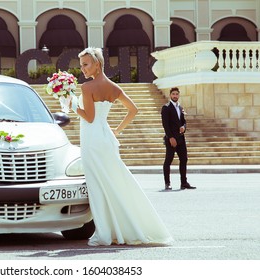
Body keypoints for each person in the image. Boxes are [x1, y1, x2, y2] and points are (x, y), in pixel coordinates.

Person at [71, 47, 173, 246]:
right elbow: (133, 110)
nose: (82, 69)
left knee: (98, 186)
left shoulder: (87, 87)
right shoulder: (113, 87)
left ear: (97, 64)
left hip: (93, 140)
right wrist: (116, 130)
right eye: (81, 64)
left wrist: (72, 105)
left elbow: (89, 118)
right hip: (106, 138)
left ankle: (105, 233)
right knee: (113, 182)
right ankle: (121, 227)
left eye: (85, 64)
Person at [161, 87, 196, 191]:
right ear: (170, 95)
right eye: (173, 94)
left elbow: (184, 121)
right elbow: (165, 125)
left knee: (184, 159)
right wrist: (170, 137)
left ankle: (184, 183)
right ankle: (167, 183)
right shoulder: (166, 107)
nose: (175, 96)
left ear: (179, 95)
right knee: (168, 160)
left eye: (176, 94)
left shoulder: (180, 107)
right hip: (171, 139)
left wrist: (183, 127)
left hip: (181, 139)